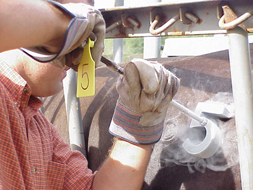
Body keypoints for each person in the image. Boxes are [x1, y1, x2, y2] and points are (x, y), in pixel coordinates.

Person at [0, 0, 180, 189]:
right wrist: (64, 26)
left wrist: (137, 126)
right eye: (74, 41)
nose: (76, 58)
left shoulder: (39, 128)